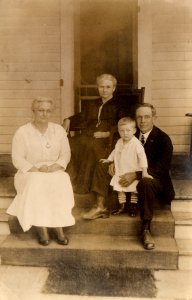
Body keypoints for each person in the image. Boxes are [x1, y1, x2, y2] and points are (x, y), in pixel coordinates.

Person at [84, 103, 175, 250]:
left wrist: (136, 174)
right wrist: (113, 163)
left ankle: (146, 229)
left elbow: (161, 169)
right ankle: (100, 206)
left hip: (153, 180)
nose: (143, 121)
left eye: (147, 117)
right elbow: (117, 151)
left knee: (145, 182)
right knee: (102, 165)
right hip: (124, 173)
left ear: (154, 118)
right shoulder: (128, 132)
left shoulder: (163, 139)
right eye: (139, 117)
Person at [7, 97, 75, 246]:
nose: (44, 114)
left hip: (53, 170)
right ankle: (42, 228)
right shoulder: (23, 132)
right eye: (41, 110)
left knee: (62, 179)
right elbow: (17, 158)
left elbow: (65, 155)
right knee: (38, 180)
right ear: (34, 111)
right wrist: (36, 169)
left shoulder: (58, 130)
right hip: (29, 172)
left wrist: (52, 167)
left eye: (48, 111)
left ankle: (59, 227)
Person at [63, 74, 120, 194]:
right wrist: (68, 119)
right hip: (89, 136)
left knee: (91, 147)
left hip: (107, 140)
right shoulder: (93, 104)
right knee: (69, 144)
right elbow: (82, 116)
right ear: (98, 88)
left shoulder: (119, 105)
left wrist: (106, 134)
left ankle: (83, 187)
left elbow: (123, 124)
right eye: (101, 87)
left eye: (108, 87)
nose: (104, 90)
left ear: (113, 88)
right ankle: (68, 182)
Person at [100, 117, 151, 216]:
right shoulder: (119, 142)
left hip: (132, 170)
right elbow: (115, 151)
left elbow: (142, 158)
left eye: (128, 130)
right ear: (118, 131)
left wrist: (144, 172)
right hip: (121, 170)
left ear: (134, 131)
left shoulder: (136, 144)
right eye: (122, 131)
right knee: (120, 190)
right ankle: (122, 206)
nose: (125, 133)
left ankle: (133, 207)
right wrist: (109, 159)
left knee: (133, 191)